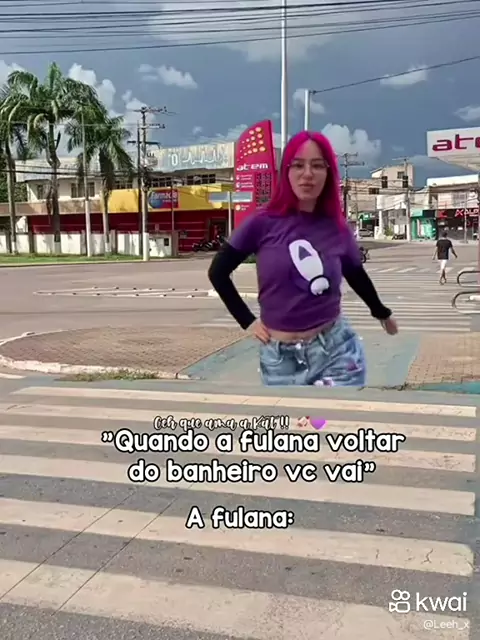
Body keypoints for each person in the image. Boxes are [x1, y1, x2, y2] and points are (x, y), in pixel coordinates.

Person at [208, 130, 398, 387]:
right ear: (286, 172)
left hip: (336, 349)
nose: (307, 174)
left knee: (337, 413)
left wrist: (382, 313)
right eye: (298, 165)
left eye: (317, 165)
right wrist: (247, 322)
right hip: (280, 358)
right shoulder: (262, 223)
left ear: (328, 173)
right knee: (293, 414)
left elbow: (355, 274)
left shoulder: (337, 228)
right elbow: (218, 273)